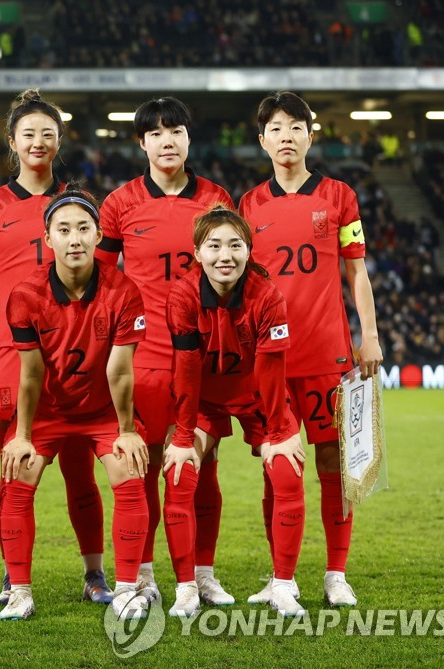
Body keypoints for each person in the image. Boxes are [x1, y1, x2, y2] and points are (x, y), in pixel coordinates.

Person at [0, 89, 112, 605]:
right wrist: (3, 306)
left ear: (59, 140)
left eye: (48, 133)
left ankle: (94, 574)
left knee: (79, 471)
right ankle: (13, 574)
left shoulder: (81, 202)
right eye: (29, 133)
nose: (39, 142)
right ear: (12, 141)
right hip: (15, 353)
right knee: (15, 468)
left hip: (79, 352)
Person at [240, 91, 382, 608]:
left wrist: (369, 333)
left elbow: (356, 270)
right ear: (262, 141)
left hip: (329, 354)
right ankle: (282, 577)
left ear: (310, 134)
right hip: (271, 358)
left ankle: (335, 574)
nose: (286, 136)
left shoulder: (340, 196)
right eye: (275, 129)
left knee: (332, 462)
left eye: (295, 127)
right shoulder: (248, 205)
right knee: (276, 464)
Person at [96, 96, 235, 607]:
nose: (167, 140)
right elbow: (102, 280)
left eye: (174, 130)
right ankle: (148, 573)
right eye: (155, 133)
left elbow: (232, 272)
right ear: (142, 143)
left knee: (204, 464)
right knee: (147, 465)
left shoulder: (216, 199)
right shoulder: (119, 204)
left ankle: (202, 573)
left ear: (188, 138)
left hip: (200, 352)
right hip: (144, 353)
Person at [0, 184, 149, 621]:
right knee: (17, 473)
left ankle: (123, 589)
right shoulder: (25, 294)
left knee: (129, 468)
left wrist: (126, 431)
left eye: (84, 228)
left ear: (99, 234)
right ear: (48, 239)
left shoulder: (124, 291)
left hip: (103, 411)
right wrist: (22, 436)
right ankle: (20, 591)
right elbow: (30, 373)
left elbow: (120, 372)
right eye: (63, 230)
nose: (75, 239)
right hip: (48, 410)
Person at [164, 206, 307, 617]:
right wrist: (182, 437)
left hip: (259, 399)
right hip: (205, 400)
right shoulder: (183, 294)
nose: (225, 255)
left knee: (286, 468)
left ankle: (282, 584)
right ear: (197, 252)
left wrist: (280, 431)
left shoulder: (268, 295)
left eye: (235, 245)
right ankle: (190, 586)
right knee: (181, 471)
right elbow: (187, 371)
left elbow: (271, 370)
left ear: (248, 251)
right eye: (214, 246)